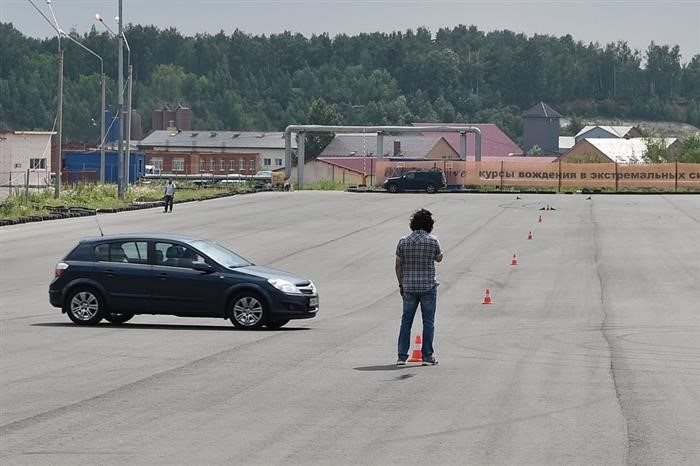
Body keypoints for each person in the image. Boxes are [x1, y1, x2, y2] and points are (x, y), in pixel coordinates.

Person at [395, 208, 443, 366]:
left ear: (413, 224)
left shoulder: (403, 241)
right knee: (428, 321)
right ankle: (427, 356)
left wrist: (401, 284)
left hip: (409, 286)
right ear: (429, 225)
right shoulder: (433, 240)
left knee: (406, 321)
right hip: (428, 286)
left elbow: (397, 265)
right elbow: (439, 258)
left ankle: (402, 356)